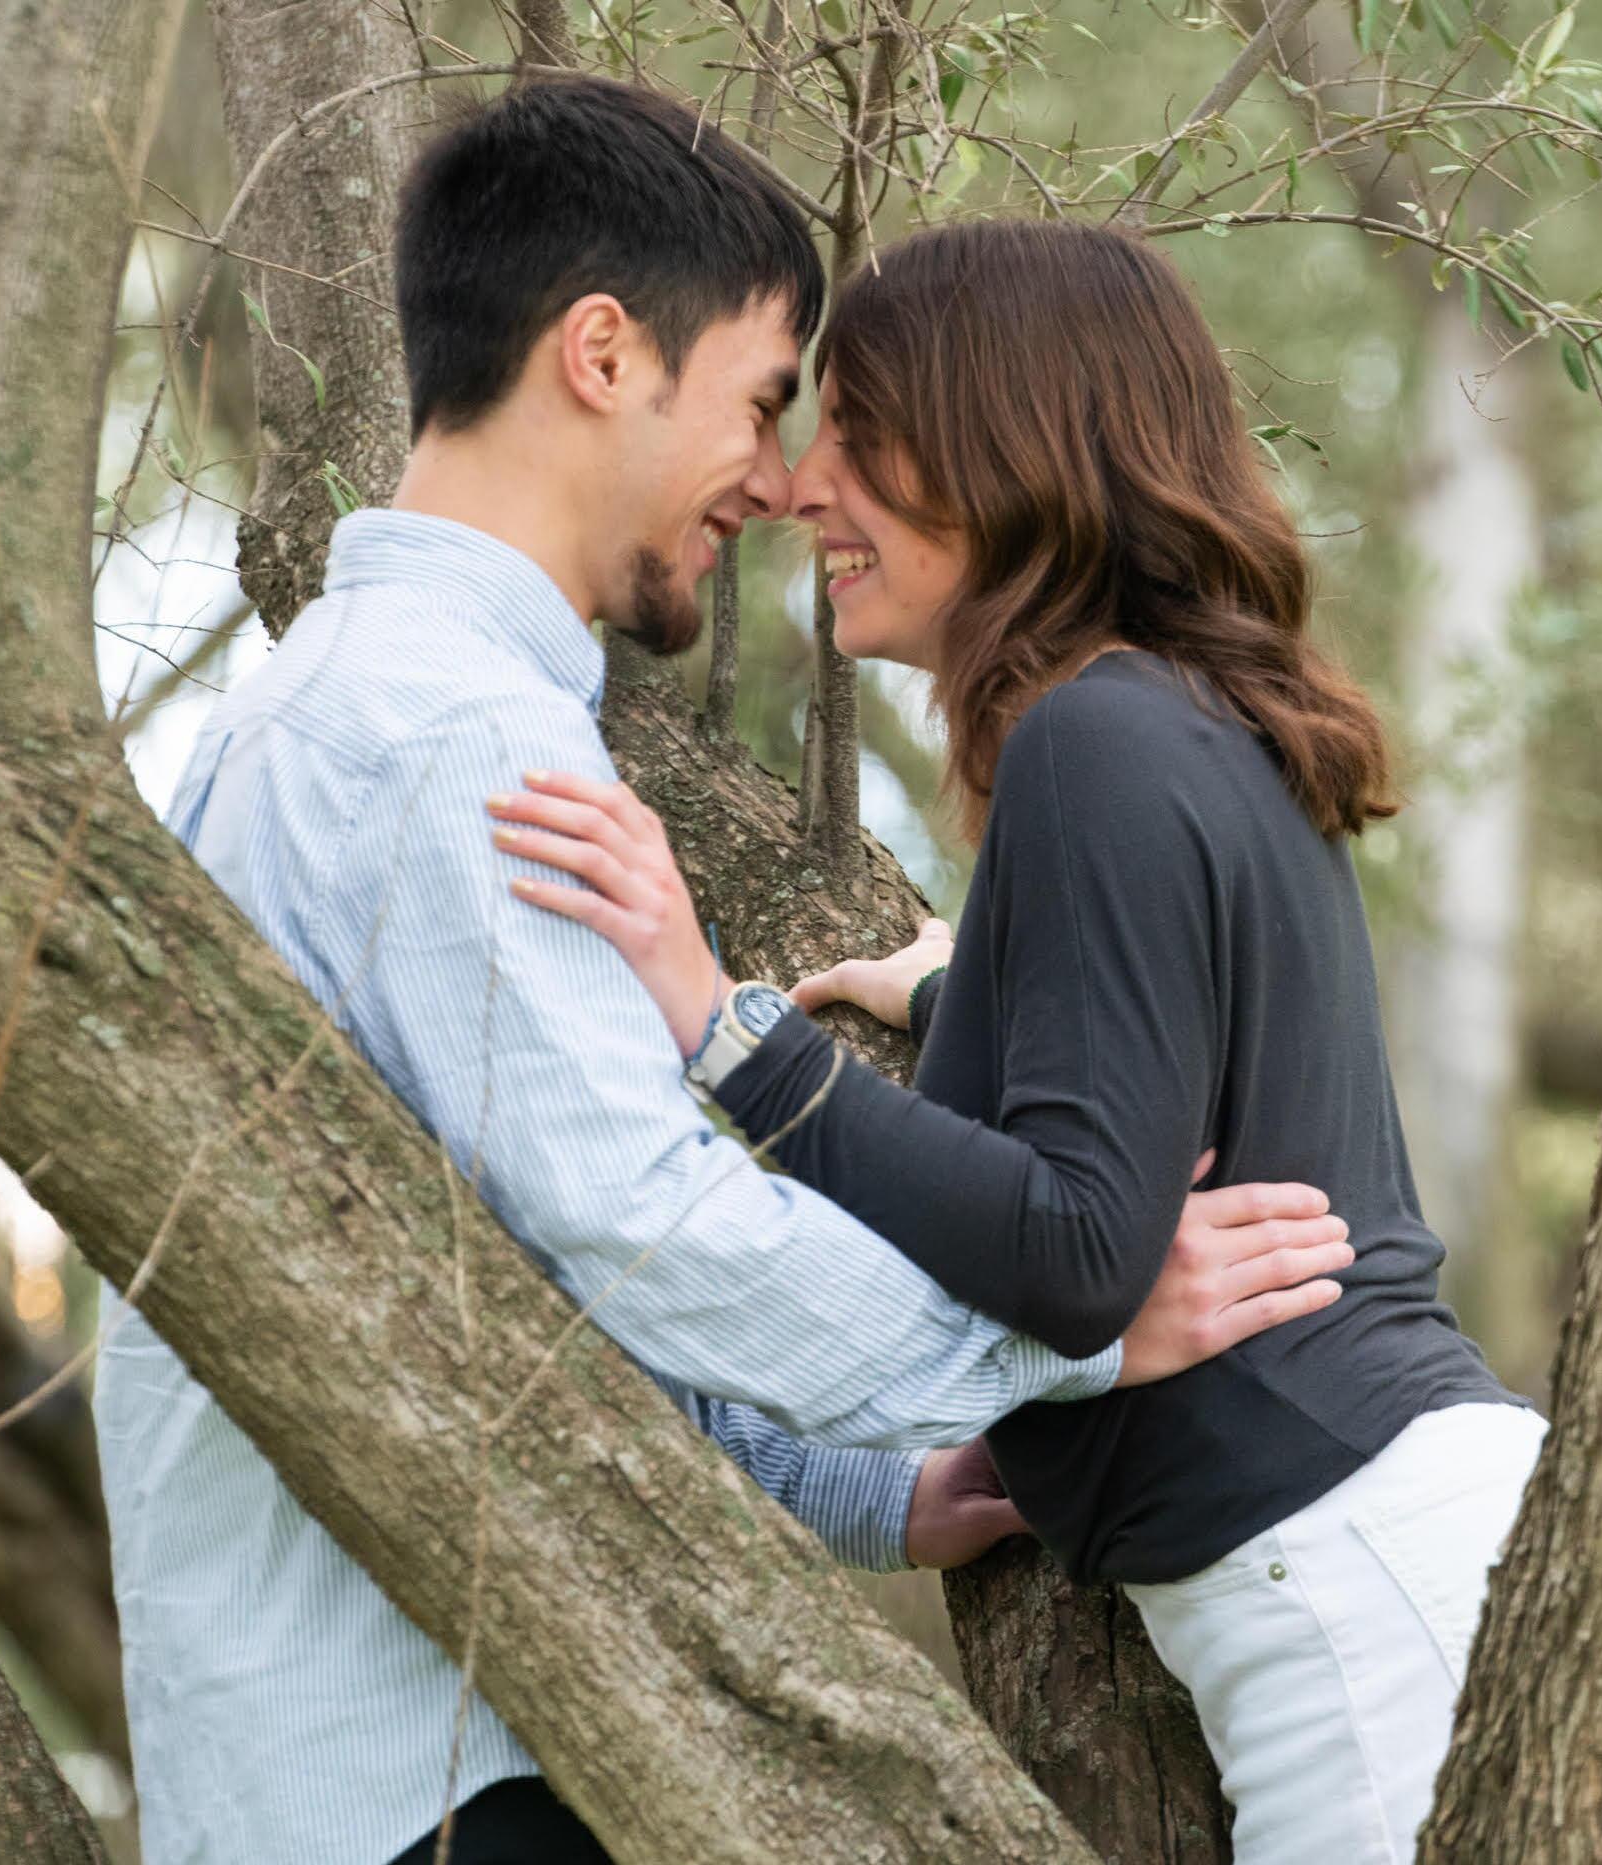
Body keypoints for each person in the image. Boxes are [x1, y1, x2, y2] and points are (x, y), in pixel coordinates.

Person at [92, 84, 1350, 1865]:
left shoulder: (366, 707)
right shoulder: (439, 731)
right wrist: (1067, 1335)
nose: (778, 481)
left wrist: (876, 1488)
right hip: (417, 1778)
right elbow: (642, 1226)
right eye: (764, 400)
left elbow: (524, 1282)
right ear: (602, 353)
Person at [496, 217, 1545, 1865]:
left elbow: (1076, 1250)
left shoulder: (1091, 742)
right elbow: (1157, 1045)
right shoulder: (1179, 718)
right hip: (1387, 1545)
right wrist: (969, 983)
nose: (800, 486)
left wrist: (728, 1029)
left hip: (1357, 1601)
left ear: (1009, 443)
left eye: (862, 429)